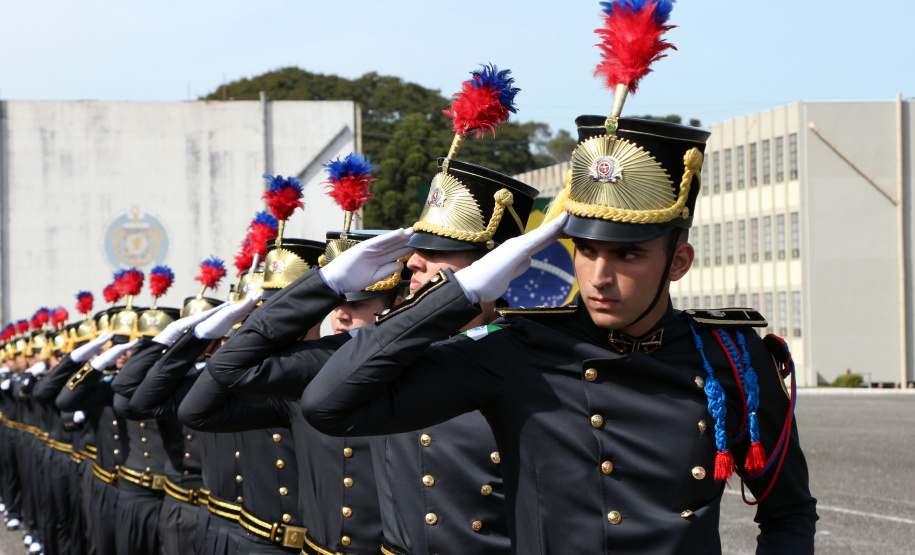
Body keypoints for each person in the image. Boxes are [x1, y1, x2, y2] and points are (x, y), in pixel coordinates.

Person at [301, 114, 818, 554]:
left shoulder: (733, 358)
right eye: (586, 249)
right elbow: (329, 403)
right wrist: (456, 293)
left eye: (628, 254)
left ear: (678, 261)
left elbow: (787, 511)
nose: (598, 276)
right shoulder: (520, 351)